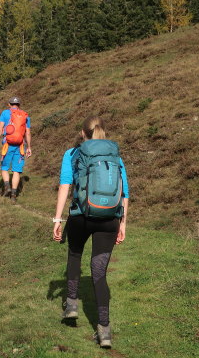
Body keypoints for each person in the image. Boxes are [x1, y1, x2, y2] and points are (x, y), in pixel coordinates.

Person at [52, 116, 129, 349]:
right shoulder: (115, 156)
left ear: (82, 133)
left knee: (75, 255)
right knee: (99, 272)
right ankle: (104, 331)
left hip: (80, 217)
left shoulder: (72, 154)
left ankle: (72, 306)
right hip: (109, 220)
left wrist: (57, 219)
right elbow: (124, 191)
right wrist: (122, 223)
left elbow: (66, 185)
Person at [0, 96, 32, 201]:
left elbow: (0, 129)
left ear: (9, 104)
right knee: (16, 170)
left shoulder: (5, 113)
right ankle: (14, 195)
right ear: (19, 105)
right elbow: (27, 133)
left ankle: (7, 187)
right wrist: (29, 147)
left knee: (4, 167)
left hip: (7, 144)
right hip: (20, 146)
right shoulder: (25, 115)